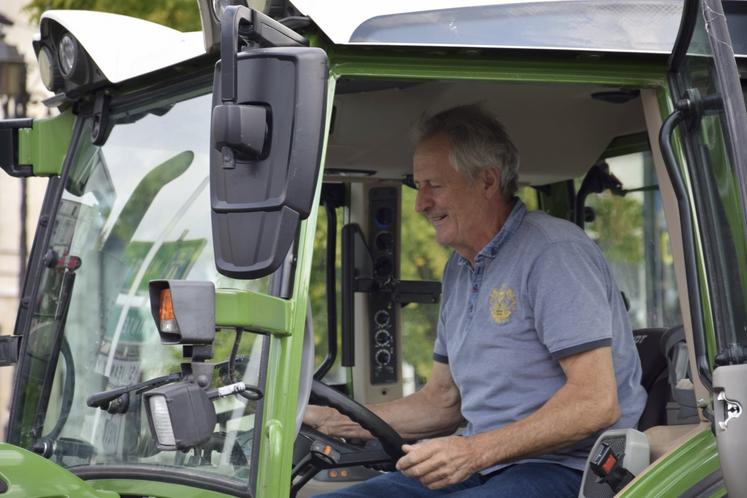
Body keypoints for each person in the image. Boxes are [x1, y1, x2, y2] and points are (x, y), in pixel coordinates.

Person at [304, 105, 646, 497]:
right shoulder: (460, 268)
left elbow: (596, 402)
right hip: (486, 466)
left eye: (435, 184)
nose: (421, 203)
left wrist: (472, 451)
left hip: (564, 470)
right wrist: (330, 420)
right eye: (419, 186)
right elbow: (442, 401)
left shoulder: (553, 252)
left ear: (486, 182)